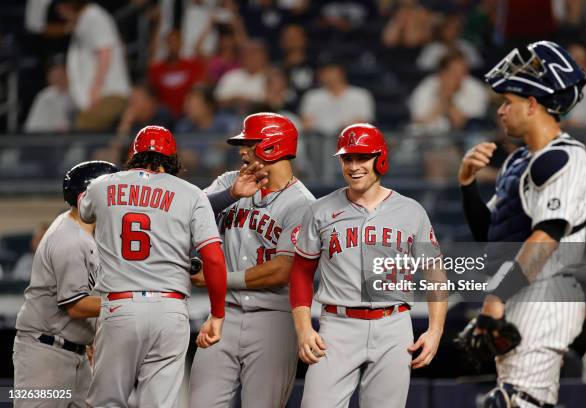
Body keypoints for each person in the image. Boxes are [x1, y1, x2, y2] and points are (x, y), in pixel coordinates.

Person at [457, 40, 586, 407]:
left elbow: (546, 237)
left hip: (546, 293)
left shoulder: (565, 158)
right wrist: (468, 184)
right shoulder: (518, 161)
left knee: (512, 402)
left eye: (508, 102)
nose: (501, 111)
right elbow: (489, 235)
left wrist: (496, 297)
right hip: (520, 290)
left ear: (533, 105)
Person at [290, 123, 448, 407]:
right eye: (347, 158)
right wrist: (303, 329)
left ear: (380, 158)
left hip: (394, 325)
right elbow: (301, 273)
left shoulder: (411, 211)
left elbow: (434, 271)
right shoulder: (320, 210)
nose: (354, 166)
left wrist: (435, 330)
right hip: (337, 327)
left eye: (362, 157)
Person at [80, 126, 227, 407]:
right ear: (173, 159)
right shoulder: (191, 193)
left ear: (133, 155)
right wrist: (217, 313)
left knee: (106, 402)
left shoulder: (102, 185)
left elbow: (84, 210)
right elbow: (213, 257)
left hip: (120, 306)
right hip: (169, 309)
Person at [189, 112, 315, 408]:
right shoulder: (229, 181)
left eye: (250, 143)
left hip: (273, 320)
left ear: (274, 145)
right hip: (224, 316)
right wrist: (231, 195)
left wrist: (216, 278)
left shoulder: (303, 204)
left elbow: (283, 270)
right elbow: (184, 213)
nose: (242, 151)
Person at [13, 160, 119, 408]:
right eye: (111, 194)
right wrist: (126, 303)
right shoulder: (68, 239)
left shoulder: (87, 232)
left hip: (74, 354)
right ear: (86, 198)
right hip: (45, 357)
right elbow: (76, 305)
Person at [54, 0, 130, 132]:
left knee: (82, 129)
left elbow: (105, 52)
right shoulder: (84, 21)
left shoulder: (94, 17)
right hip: (95, 96)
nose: (60, 14)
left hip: (108, 92)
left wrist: (96, 88)